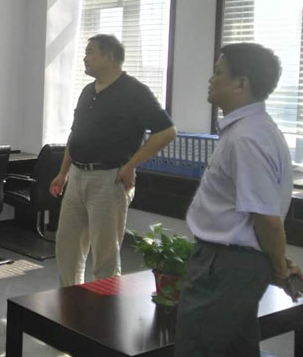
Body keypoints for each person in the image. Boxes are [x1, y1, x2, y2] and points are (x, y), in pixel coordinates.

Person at [175, 43, 302, 357]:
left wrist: (279, 268)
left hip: (226, 265)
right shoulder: (249, 130)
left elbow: (267, 219)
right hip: (231, 260)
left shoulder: (247, 137)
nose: (211, 79)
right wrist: (277, 262)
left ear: (241, 84)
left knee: (197, 348)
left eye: (219, 72)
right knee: (236, 350)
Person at [50, 34, 176, 286]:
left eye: (90, 52)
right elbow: (75, 134)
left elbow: (167, 131)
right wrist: (63, 173)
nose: (85, 58)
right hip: (77, 177)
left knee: (105, 255)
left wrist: (130, 166)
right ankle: (70, 302)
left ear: (109, 56)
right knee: (67, 249)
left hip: (108, 179)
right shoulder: (87, 91)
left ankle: (104, 308)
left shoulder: (134, 91)